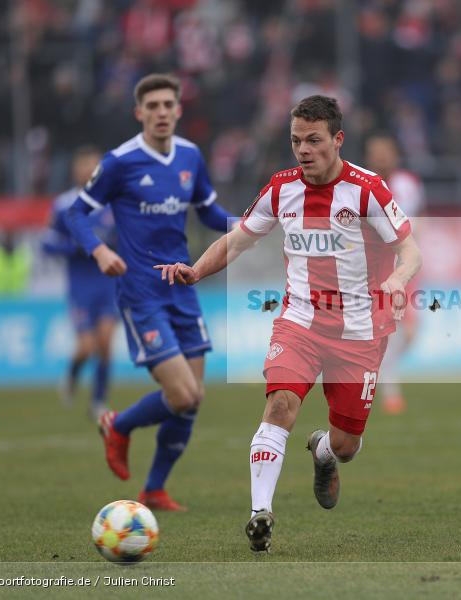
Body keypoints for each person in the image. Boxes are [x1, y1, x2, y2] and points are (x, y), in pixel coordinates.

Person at [155, 95, 422, 552]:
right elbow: (237, 240)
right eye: (297, 140)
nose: (303, 149)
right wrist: (195, 270)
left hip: (358, 331)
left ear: (337, 140)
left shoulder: (367, 190)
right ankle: (261, 513)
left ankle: (321, 451)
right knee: (280, 405)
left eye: (314, 140)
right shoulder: (281, 189)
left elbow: (410, 250)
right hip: (299, 320)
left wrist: (398, 278)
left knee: (346, 446)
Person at [66, 73, 235, 512]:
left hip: (183, 287)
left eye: (168, 105)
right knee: (183, 395)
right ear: (139, 112)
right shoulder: (121, 161)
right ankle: (117, 424)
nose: (161, 112)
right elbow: (77, 213)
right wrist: (99, 249)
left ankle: (154, 489)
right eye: (152, 106)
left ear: (178, 110)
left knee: (193, 403)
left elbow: (208, 210)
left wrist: (244, 226)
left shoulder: (191, 156)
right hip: (142, 293)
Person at [42, 146, 118, 421]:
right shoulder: (64, 206)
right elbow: (47, 244)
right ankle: (73, 375)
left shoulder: (111, 204)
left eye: (93, 167)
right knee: (86, 346)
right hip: (80, 285)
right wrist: (78, 246)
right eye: (83, 166)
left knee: (106, 342)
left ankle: (98, 400)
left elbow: (125, 239)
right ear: (75, 171)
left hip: (108, 282)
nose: (88, 172)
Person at [364, 131, 426, 415]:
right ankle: (390, 392)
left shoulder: (407, 185)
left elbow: (418, 221)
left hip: (404, 266)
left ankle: (374, 372)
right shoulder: (362, 187)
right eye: (376, 154)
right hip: (375, 268)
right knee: (388, 329)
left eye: (385, 152)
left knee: (410, 332)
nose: (381, 159)